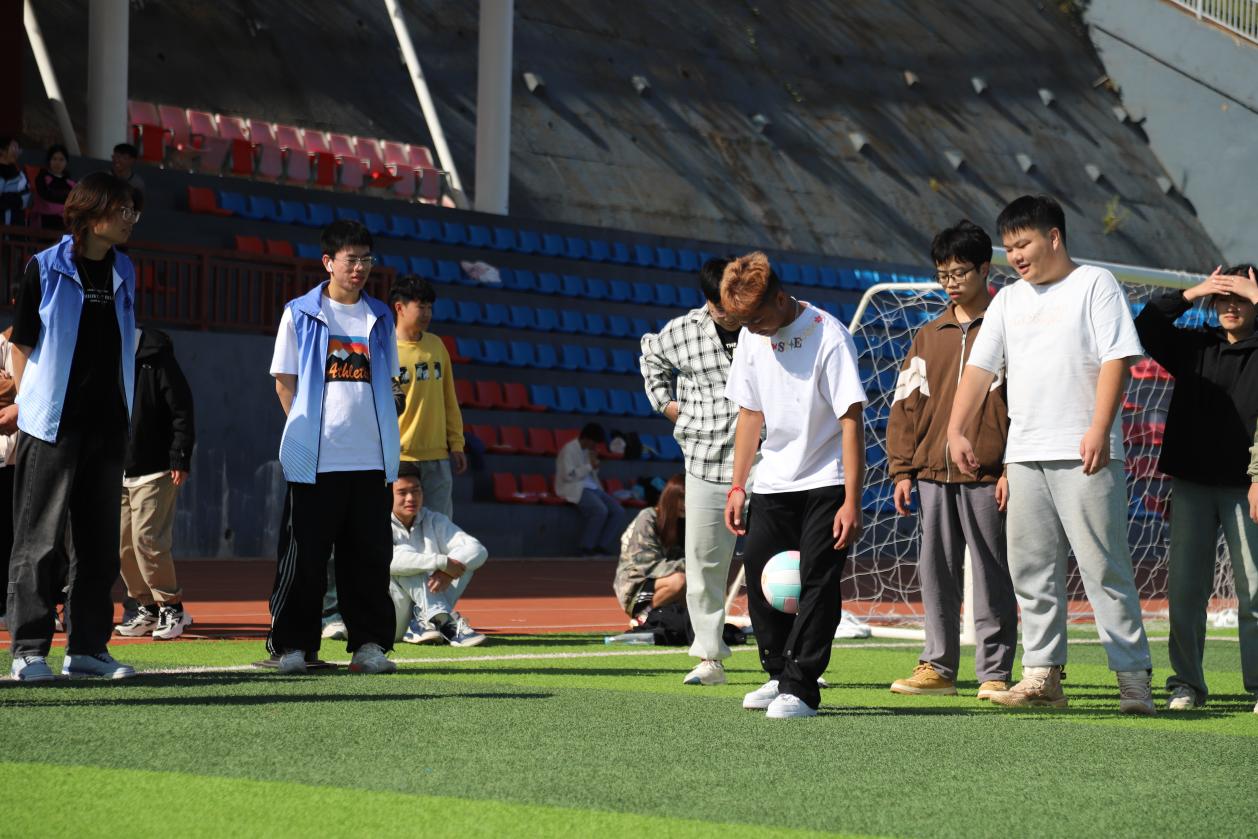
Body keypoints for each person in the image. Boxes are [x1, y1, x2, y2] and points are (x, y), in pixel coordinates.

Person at [948, 194, 1155, 714]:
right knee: (1032, 569)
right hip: (1025, 454)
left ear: (1054, 237)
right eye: (1010, 248)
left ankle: (1133, 680)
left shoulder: (1095, 284)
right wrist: (956, 429)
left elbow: (1117, 359)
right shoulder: (1007, 300)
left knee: (1104, 568)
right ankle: (1042, 675)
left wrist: (1099, 428)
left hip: (1086, 451)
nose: (1015, 256)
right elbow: (980, 369)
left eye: (1024, 243)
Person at [7, 172, 141, 681]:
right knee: (39, 542)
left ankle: (87, 649)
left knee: (99, 546)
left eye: (132, 211)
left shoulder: (125, 269)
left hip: (109, 426)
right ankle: (28, 650)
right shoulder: (44, 267)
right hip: (52, 427)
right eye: (122, 210)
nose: (129, 220)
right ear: (90, 213)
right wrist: (30, 405)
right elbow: (21, 345)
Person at [721, 251, 866, 719]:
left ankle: (801, 687)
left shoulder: (829, 335)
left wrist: (851, 500)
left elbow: (851, 420)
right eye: (746, 322)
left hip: (826, 479)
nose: (754, 329)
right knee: (761, 576)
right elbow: (750, 414)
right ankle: (776, 672)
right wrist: (738, 486)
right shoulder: (751, 337)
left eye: (758, 318)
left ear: (780, 298)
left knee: (817, 582)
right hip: (772, 481)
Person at [885, 221, 1018, 699]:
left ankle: (995, 671)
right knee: (936, 572)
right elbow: (906, 405)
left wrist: (1010, 468)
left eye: (960, 272)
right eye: (943, 274)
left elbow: (1023, 406)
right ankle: (938, 667)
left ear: (985, 269)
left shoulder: (1009, 330)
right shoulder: (929, 335)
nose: (951, 282)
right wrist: (902, 469)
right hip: (931, 474)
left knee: (992, 572)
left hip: (987, 474)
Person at [267, 219, 400, 675]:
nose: (360, 268)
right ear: (328, 262)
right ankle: (292, 646)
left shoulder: (380, 317)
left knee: (369, 559)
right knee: (303, 558)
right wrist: (307, 436)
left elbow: (389, 383)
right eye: (351, 260)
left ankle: (369, 646)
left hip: (372, 461)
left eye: (367, 259)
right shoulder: (299, 313)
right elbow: (284, 382)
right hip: (316, 461)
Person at [1136, 264, 1258, 711]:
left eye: (1240, 297)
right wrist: (1195, 291)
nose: (1231, 305)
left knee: (1254, 589)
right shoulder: (1195, 345)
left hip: (1248, 488)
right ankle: (1186, 682)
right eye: (1224, 297)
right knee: (1186, 592)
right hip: (1191, 484)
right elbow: (1147, 325)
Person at [641, 257, 749, 686]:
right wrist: (669, 408)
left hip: (765, 459)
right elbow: (650, 356)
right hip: (704, 459)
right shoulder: (682, 331)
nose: (730, 312)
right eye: (721, 304)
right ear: (708, 300)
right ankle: (709, 656)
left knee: (778, 559)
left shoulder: (762, 326)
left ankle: (791, 660)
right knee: (704, 563)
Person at [113, 327, 196, 641]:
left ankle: (172, 607)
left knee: (147, 539)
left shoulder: (156, 357)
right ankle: (146, 608)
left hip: (156, 468)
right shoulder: (105, 354)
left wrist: (180, 457)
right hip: (120, 468)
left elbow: (181, 409)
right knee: (121, 544)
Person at [388, 463, 487, 648]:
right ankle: (444, 621)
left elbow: (477, 549)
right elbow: (389, 560)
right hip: (387, 620)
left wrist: (447, 571)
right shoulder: (374, 521)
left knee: (462, 562)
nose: (411, 498)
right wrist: (440, 562)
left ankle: (424, 621)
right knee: (408, 561)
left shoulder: (434, 520)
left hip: (426, 611)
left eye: (416, 491)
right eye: (402, 493)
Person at [392, 275, 466, 518]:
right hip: (399, 457)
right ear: (400, 308)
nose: (426, 314)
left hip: (437, 456)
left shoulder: (437, 345)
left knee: (440, 528)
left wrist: (456, 443)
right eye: (420, 307)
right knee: (398, 529)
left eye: (429, 308)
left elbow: (449, 398)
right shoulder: (384, 350)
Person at [614, 473, 687, 623]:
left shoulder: (683, 523)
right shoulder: (648, 517)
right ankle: (643, 617)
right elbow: (648, 565)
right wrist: (691, 566)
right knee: (680, 581)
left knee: (705, 580)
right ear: (669, 497)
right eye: (681, 498)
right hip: (635, 586)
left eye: (690, 499)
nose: (685, 504)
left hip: (661, 580)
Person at [555, 422, 624, 556]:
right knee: (600, 510)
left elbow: (592, 473)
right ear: (586, 439)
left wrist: (594, 465)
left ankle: (601, 545)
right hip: (575, 487)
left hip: (592, 487)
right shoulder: (568, 450)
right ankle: (586, 546)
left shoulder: (588, 452)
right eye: (594, 442)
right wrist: (589, 466)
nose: (595, 446)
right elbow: (568, 475)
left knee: (618, 511)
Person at [0, 327, 16, 629]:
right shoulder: (3, 343)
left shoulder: (48, 342)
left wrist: (11, 385)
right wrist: (23, 388)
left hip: (24, 457)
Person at [31, 145, 75, 230]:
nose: (57, 163)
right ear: (49, 161)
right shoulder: (42, 178)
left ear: (66, 162)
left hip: (65, 223)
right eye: (54, 159)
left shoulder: (71, 183)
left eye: (61, 159)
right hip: (44, 221)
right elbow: (45, 197)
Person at [0, 136, 30, 226]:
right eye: (14, 147)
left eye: (18, 148)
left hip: (16, 224)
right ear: (2, 150)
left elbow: (26, 199)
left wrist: (5, 198)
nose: (17, 151)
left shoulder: (21, 176)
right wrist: (13, 198)